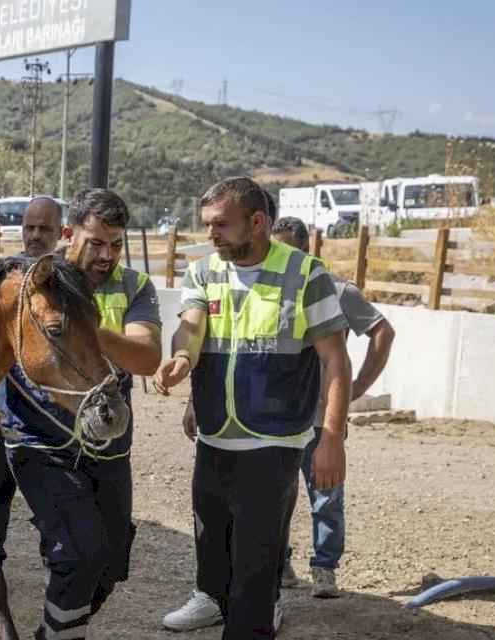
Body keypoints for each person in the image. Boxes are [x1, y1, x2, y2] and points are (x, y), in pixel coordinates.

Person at [155, 177, 353, 638]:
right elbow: (191, 326)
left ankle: (250, 624)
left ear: (258, 222)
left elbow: (335, 360)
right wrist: (182, 358)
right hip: (214, 434)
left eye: (221, 224)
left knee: (256, 562)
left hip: (274, 440)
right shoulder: (204, 271)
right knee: (211, 536)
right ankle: (211, 600)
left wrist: (331, 438)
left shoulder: (307, 274)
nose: (211, 234)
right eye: (207, 225)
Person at [0, 188, 162, 639]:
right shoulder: (32, 283)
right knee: (77, 553)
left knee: (107, 565)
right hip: (39, 441)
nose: (107, 255)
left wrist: (87, 331)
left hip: (108, 446)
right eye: (96, 242)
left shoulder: (134, 287)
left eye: (116, 244)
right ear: (68, 235)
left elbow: (147, 358)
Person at [270, 216, 395, 598]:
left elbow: (382, 332)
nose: (281, 257)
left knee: (326, 495)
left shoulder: (335, 289)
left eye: (288, 248)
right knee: (275, 495)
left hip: (321, 419)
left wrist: (356, 389)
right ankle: (280, 564)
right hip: (277, 417)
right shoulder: (269, 288)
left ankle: (324, 568)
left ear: (307, 249)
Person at [0, 196, 65, 598]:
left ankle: (55, 568)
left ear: (61, 232)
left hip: (53, 416)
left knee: (51, 499)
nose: (36, 236)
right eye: (30, 228)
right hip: (3, 412)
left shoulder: (66, 280)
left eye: (45, 229)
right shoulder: (2, 275)